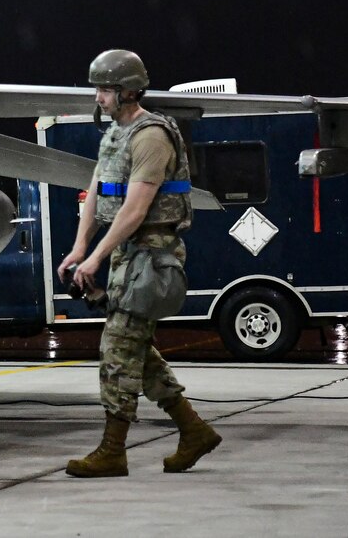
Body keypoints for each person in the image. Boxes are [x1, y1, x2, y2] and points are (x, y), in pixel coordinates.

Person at [57, 49, 222, 478]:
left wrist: (94, 258)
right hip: (127, 255)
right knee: (136, 351)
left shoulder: (151, 136)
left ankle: (113, 451)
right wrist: (80, 247)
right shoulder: (114, 134)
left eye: (106, 90)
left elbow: (134, 210)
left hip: (151, 255)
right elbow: (96, 189)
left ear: (129, 90)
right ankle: (194, 430)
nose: (98, 98)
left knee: (117, 350)